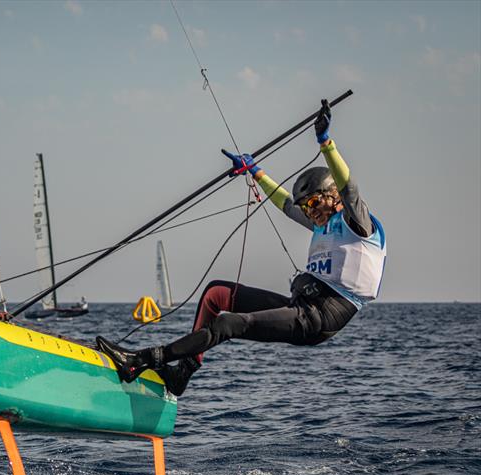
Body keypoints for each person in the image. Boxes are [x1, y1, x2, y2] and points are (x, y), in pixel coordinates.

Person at [96, 99, 386, 396]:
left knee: (230, 323)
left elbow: (350, 188)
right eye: (306, 207)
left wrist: (325, 142)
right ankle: (182, 373)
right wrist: (256, 172)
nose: (309, 212)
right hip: (301, 304)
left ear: (332, 196)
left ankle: (140, 360)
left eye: (313, 203)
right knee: (216, 294)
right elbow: (286, 204)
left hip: (321, 318)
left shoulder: (357, 223)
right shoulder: (320, 224)